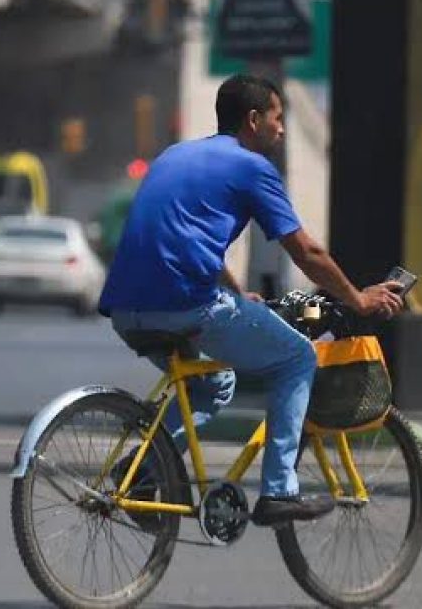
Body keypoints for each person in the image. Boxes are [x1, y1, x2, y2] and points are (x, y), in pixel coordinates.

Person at [98, 73, 404, 527]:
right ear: (254, 119)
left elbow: (183, 238)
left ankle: (143, 472)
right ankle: (279, 492)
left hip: (125, 309)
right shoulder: (253, 168)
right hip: (187, 304)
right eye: (278, 118)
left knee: (212, 386)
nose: (282, 129)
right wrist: (358, 299)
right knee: (297, 357)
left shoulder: (174, 155)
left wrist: (238, 294)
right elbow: (306, 251)